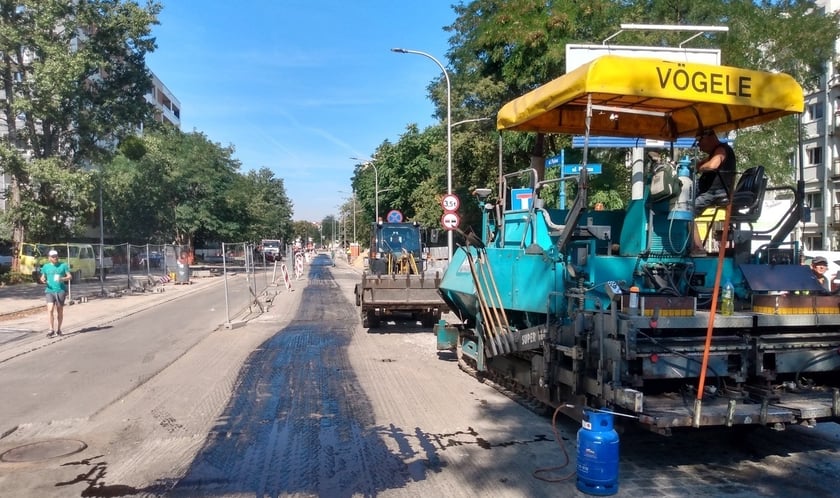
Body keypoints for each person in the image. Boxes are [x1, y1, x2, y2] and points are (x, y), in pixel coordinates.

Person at [692, 129, 737, 254]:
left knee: (685, 212)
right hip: (711, 192)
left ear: (708, 137)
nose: (699, 147)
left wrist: (700, 167)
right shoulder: (715, 152)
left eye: (699, 142)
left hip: (716, 193)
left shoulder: (721, 150)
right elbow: (703, 163)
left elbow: (713, 165)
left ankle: (697, 248)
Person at [39, 249, 72, 338]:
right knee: (50, 310)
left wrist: (62, 279)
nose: (55, 258)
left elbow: (69, 276)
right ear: (49, 258)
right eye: (53, 257)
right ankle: (51, 329)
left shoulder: (63, 265)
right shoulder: (46, 266)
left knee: (59, 310)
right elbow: (42, 277)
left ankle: (59, 329)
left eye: (56, 256)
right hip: (49, 291)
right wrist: (42, 280)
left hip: (60, 290)